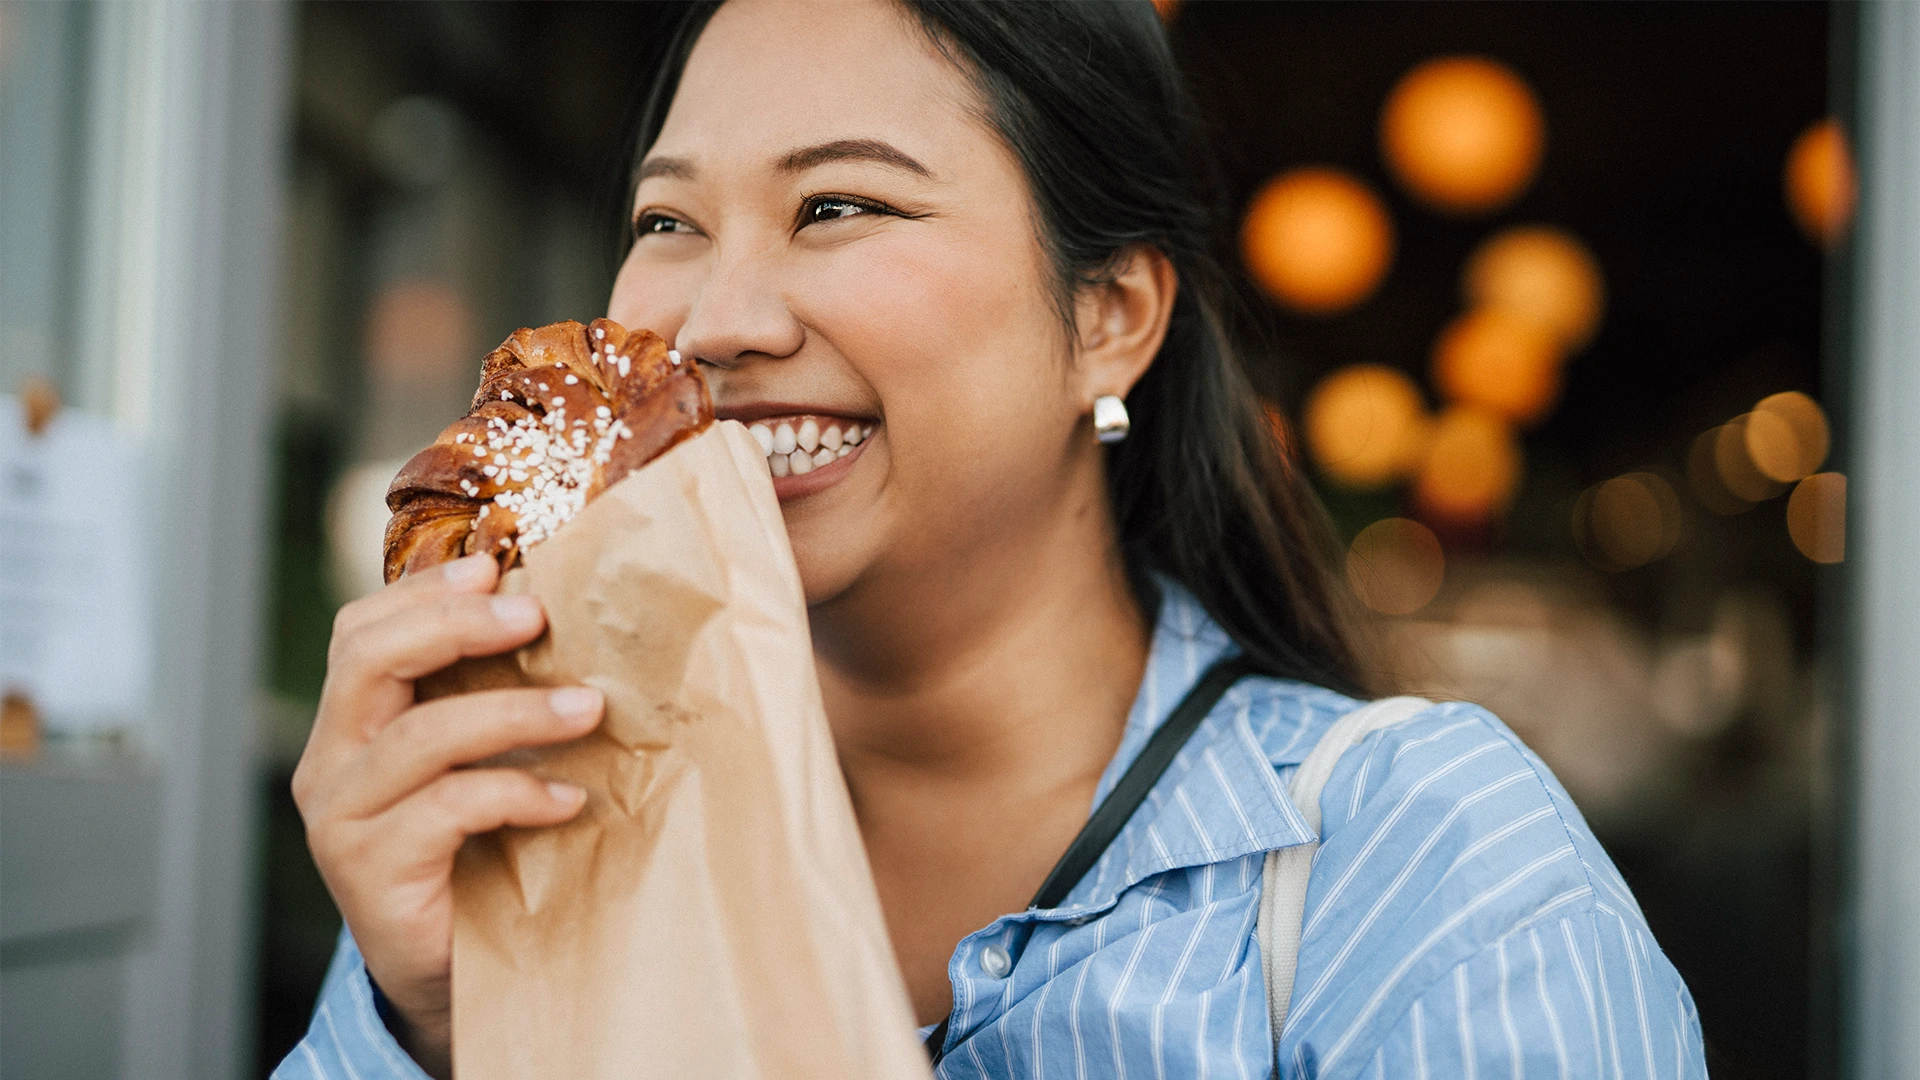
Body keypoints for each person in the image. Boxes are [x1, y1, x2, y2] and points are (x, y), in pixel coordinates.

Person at [278, 0, 1706, 1076]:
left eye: (838, 205)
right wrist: (443, 1022)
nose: (716, 321)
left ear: (1111, 318)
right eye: (669, 219)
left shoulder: (1422, 873)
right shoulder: (538, 806)